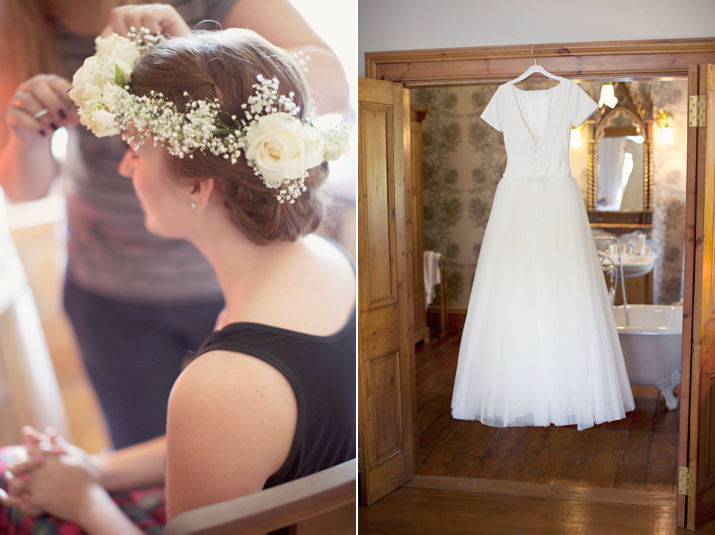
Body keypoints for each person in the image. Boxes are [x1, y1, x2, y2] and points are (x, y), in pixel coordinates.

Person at [0, 26, 355, 533]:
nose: (126, 168)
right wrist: (94, 469)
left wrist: (84, 502)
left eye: (137, 152)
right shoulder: (326, 260)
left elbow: (222, 417)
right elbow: (231, 438)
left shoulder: (220, 383)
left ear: (198, 185)